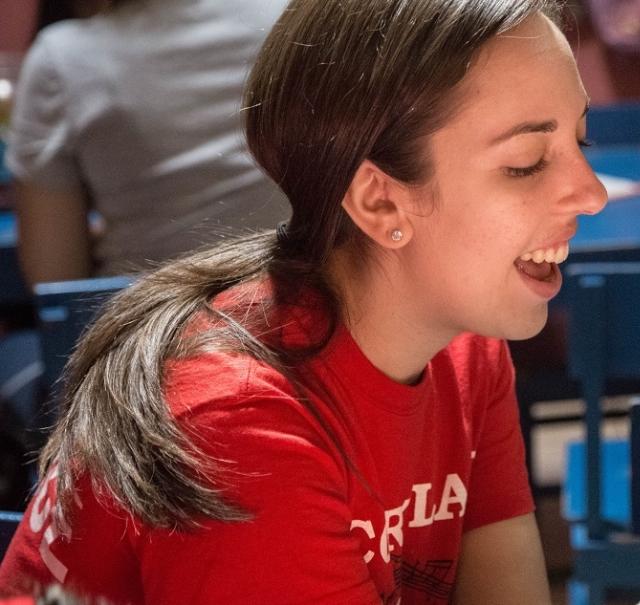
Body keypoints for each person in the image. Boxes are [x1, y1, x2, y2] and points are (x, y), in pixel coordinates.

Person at [0, 0, 606, 603]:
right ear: (379, 203)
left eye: (582, 138)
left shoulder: (465, 345)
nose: (592, 194)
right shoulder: (236, 428)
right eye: (526, 165)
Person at [7, 0, 289, 283]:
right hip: (305, 302)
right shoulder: (295, 14)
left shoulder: (61, 59)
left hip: (151, 314)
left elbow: (54, 272)